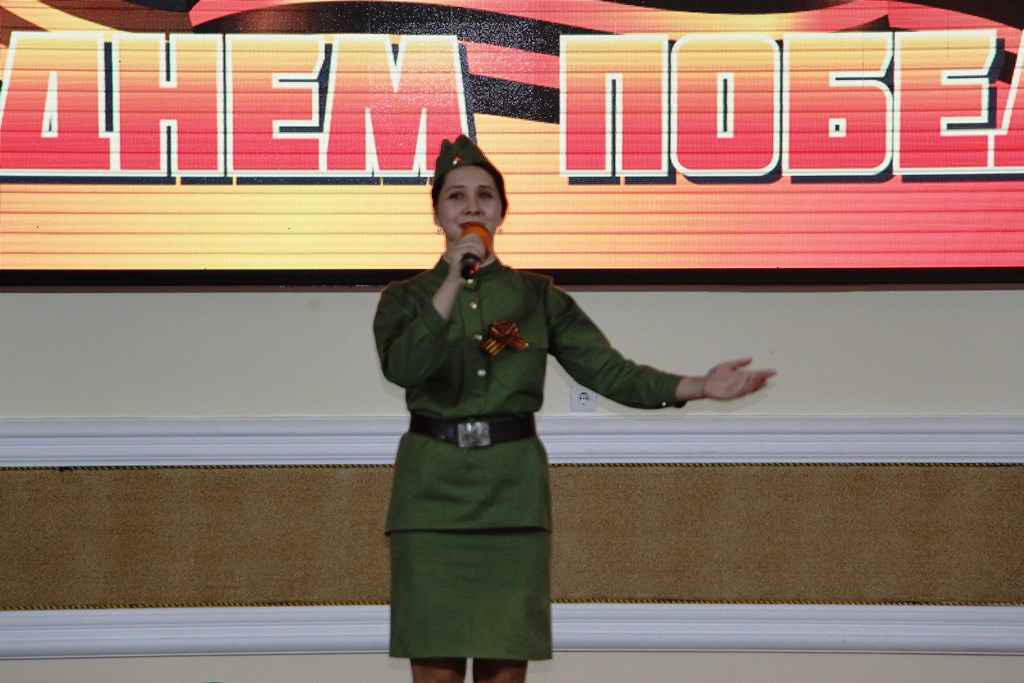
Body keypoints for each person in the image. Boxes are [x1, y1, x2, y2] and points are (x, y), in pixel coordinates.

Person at [372, 135, 775, 683]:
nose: (471, 206)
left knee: (504, 668)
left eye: (485, 195)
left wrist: (699, 386)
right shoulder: (405, 298)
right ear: (437, 213)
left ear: (502, 212)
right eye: (456, 196)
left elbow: (610, 371)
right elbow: (404, 366)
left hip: (510, 497)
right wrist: (450, 280)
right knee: (436, 670)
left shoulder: (539, 298)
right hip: (430, 501)